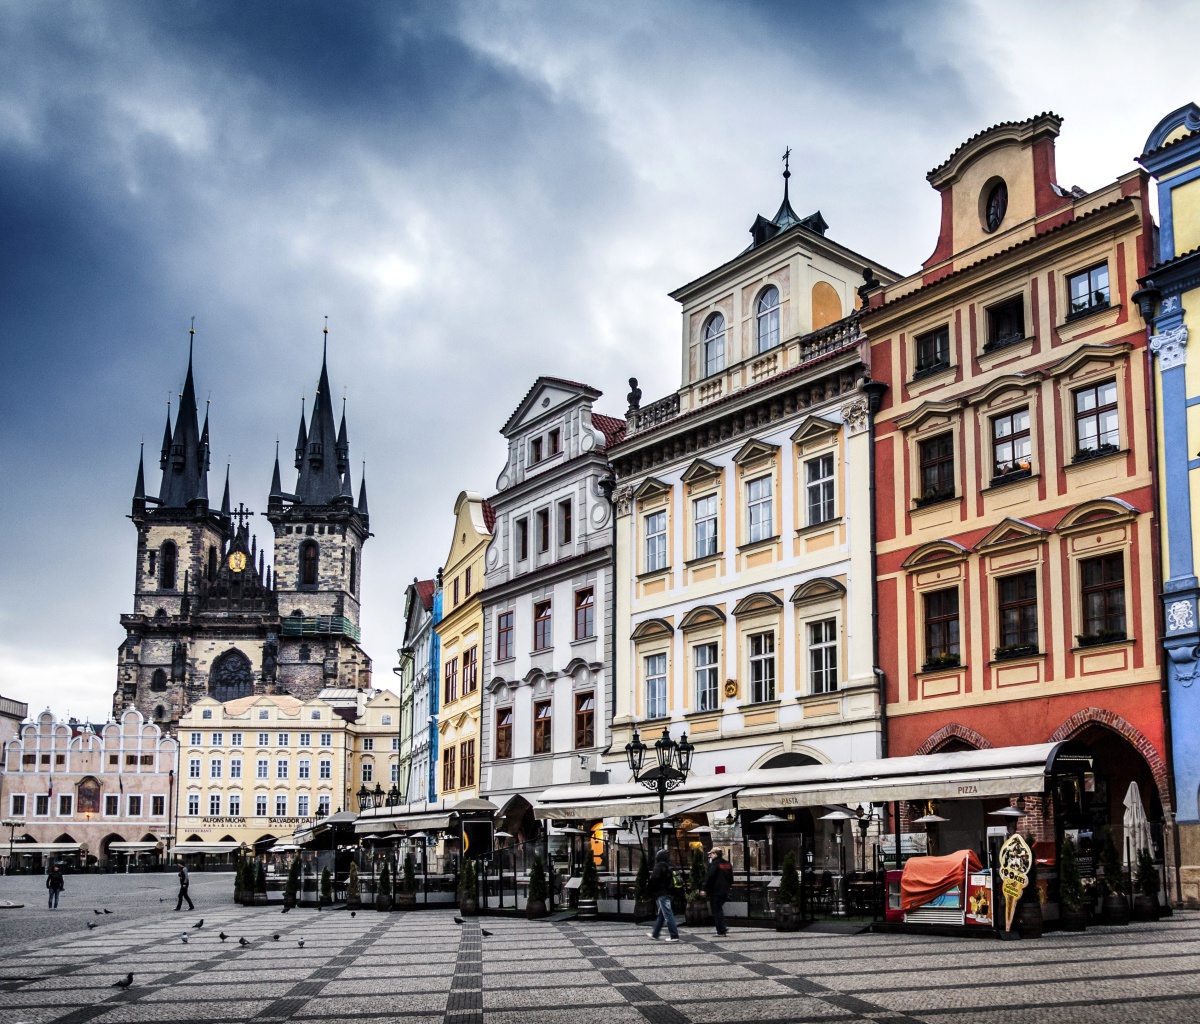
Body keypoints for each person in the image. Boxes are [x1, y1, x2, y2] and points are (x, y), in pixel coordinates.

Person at [646, 848, 679, 942]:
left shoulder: (659, 866)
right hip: (671, 892)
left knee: (668, 914)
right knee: (662, 913)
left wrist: (650, 891)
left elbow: (654, 879)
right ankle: (655, 934)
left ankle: (674, 935)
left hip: (662, 893)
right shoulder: (671, 865)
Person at [702, 848, 734, 936]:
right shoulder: (727, 864)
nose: (710, 856)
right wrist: (728, 886)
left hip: (715, 891)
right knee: (719, 909)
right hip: (725, 891)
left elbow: (709, 877)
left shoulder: (714, 864)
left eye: (711, 854)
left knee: (717, 910)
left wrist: (704, 889)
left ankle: (721, 930)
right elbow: (731, 878)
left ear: (715, 854)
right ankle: (722, 928)